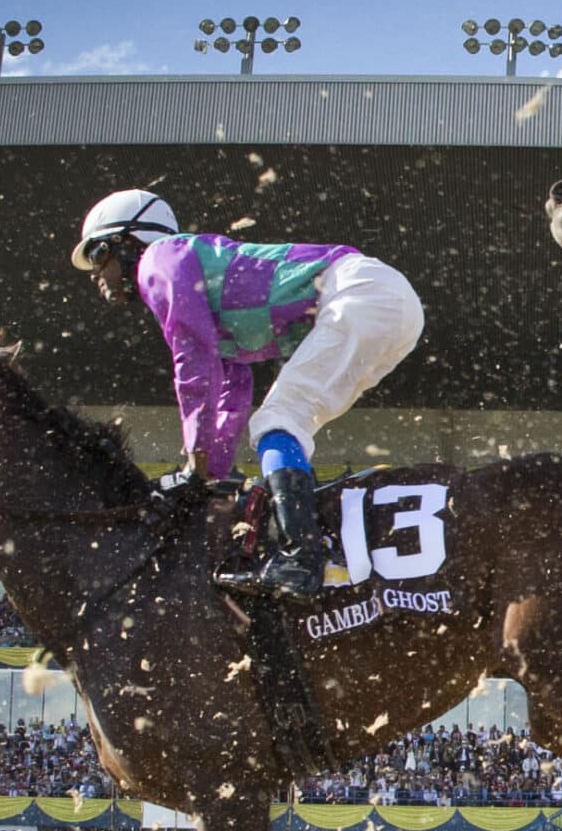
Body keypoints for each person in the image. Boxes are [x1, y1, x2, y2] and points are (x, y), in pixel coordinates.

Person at [70, 189, 425, 601]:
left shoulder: (160, 261)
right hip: (394, 310)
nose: (97, 276)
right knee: (284, 421)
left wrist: (195, 457)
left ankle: (302, 557)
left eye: (97, 256)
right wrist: (211, 473)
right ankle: (308, 544)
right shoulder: (201, 287)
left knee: (278, 422)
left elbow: (194, 365)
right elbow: (232, 396)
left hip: (362, 293)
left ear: (129, 242)